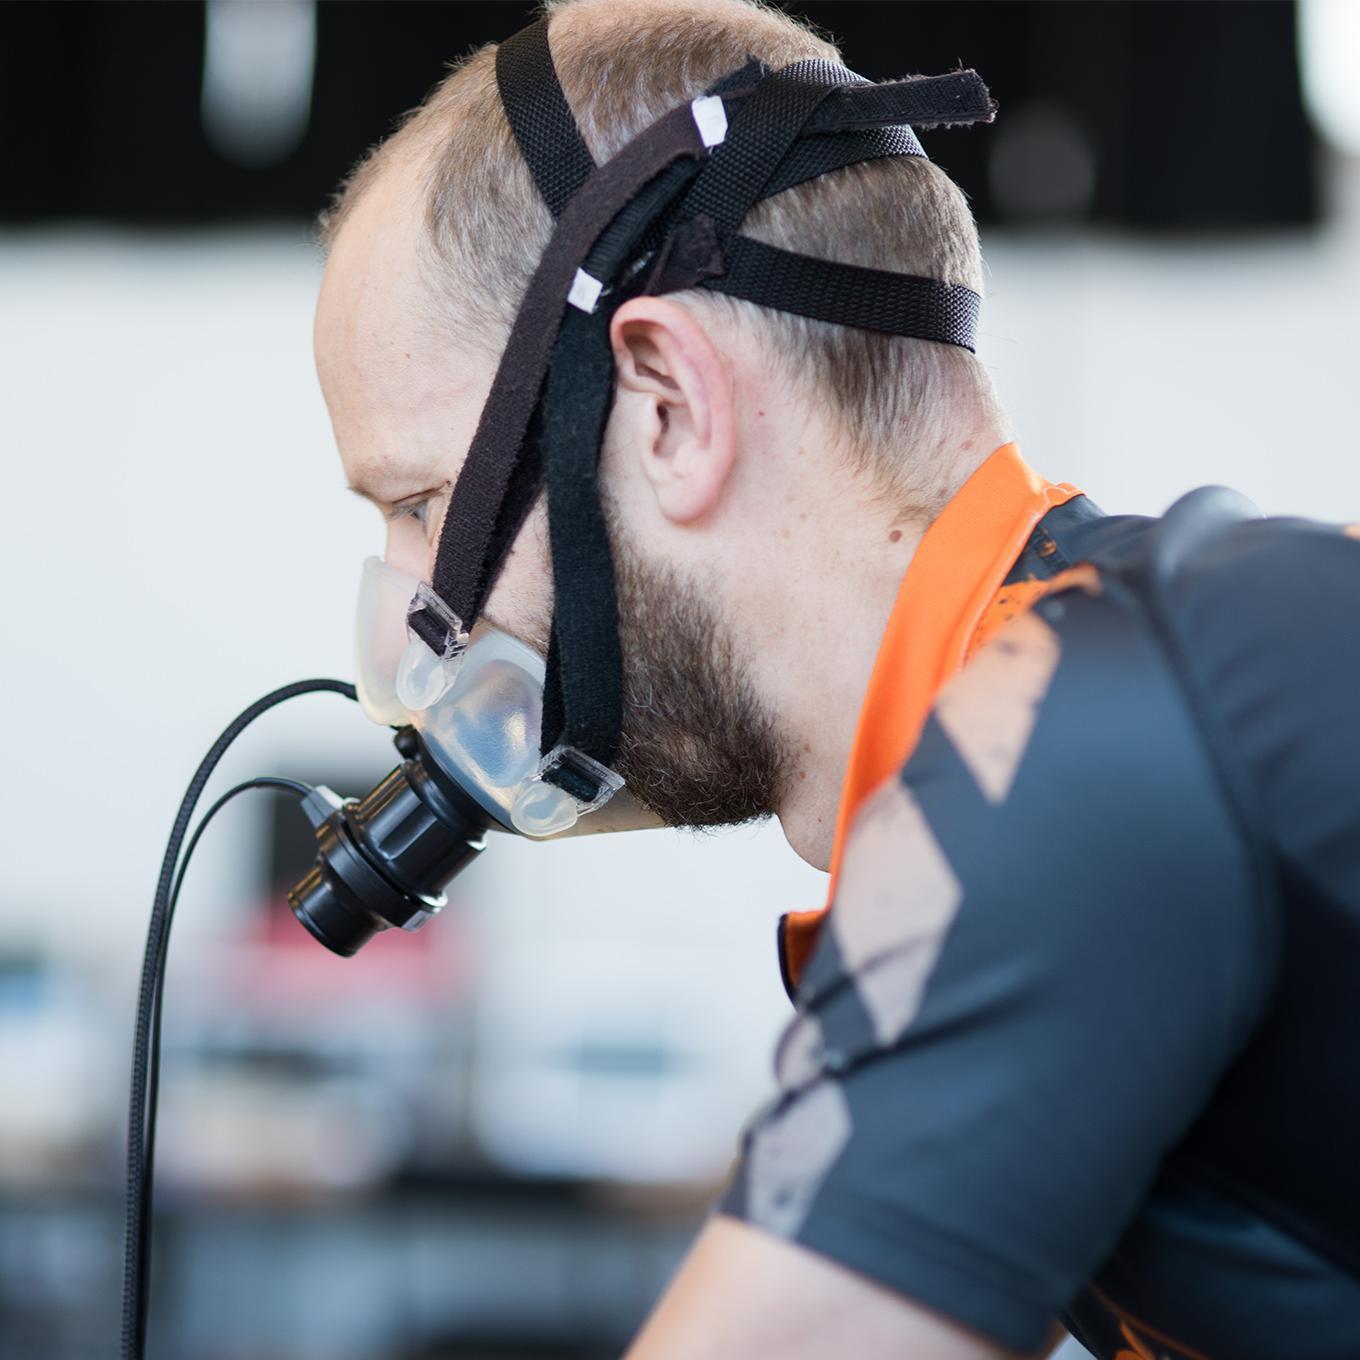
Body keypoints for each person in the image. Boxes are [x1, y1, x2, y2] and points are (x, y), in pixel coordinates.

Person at [312, 1, 1360, 1356]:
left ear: (668, 406)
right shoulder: (1104, 691)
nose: (413, 623)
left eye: (420, 497)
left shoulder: (1072, 756)